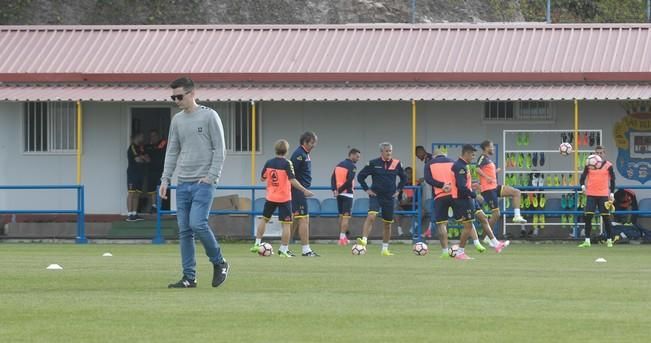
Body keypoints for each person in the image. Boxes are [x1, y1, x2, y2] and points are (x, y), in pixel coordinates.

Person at [159, 77, 229, 288]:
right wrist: (165, 179)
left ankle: (220, 262)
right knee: (184, 231)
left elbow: (220, 149)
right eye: (173, 97)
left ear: (192, 94)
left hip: (203, 182)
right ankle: (189, 277)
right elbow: (172, 151)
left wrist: (211, 177)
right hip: (182, 183)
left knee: (197, 223)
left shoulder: (209, 116)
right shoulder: (177, 120)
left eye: (179, 96)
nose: (176, 100)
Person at [250, 139, 314, 257]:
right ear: (286, 151)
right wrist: (304, 190)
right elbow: (292, 180)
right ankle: (283, 249)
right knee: (286, 224)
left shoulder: (268, 162)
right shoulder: (287, 163)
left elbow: (262, 178)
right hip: (284, 198)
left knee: (264, 219)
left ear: (275, 149)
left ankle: (256, 244)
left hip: (270, 197)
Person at [356, 142, 407, 256]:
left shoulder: (397, 163)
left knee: (387, 224)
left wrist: (398, 190)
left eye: (390, 151)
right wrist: (367, 189)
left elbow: (404, 178)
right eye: (386, 151)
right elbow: (360, 177)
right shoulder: (373, 163)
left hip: (389, 198)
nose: (389, 153)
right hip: (376, 196)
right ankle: (364, 239)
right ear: (381, 152)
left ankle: (385, 249)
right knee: (372, 215)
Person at [476, 140, 527, 231]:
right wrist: (487, 177)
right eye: (492, 146)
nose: (493, 148)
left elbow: (487, 172)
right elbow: (477, 169)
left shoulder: (488, 159)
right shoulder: (482, 157)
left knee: (516, 192)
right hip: (488, 190)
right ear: (486, 148)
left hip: (494, 187)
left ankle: (517, 215)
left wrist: (495, 171)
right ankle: (487, 236)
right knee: (496, 214)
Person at [450, 144, 484, 260]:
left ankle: (461, 251)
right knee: (468, 226)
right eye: (473, 155)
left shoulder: (463, 165)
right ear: (467, 153)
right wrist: (475, 195)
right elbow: (461, 186)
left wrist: (472, 186)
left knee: (468, 226)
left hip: (463, 199)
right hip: (463, 200)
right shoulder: (460, 166)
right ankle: (460, 252)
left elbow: (463, 184)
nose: (473, 157)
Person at [289, 131, 319, 257]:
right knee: (304, 219)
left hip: (299, 191)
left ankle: (284, 247)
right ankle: (306, 250)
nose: (314, 145)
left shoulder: (305, 154)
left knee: (295, 220)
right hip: (298, 191)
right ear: (305, 142)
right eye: (312, 143)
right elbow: (290, 175)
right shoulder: (299, 155)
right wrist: (303, 190)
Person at [578, 145, 616, 248]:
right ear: (594, 154)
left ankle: (609, 240)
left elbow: (612, 180)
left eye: (601, 153)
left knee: (606, 218)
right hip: (591, 195)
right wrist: (582, 186)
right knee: (588, 217)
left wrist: (612, 193)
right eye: (597, 153)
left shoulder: (608, 165)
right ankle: (587, 241)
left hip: (603, 195)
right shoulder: (589, 164)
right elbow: (582, 178)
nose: (599, 154)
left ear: (604, 154)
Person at [331, 148, 361, 246]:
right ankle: (342, 239)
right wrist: (339, 190)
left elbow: (333, 178)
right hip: (347, 194)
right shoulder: (352, 166)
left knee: (341, 216)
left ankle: (342, 237)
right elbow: (349, 182)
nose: (358, 159)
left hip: (339, 194)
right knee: (346, 217)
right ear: (351, 155)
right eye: (357, 156)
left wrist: (335, 190)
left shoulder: (338, 165)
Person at [126, 132, 148, 222]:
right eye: (142, 136)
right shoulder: (132, 147)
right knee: (131, 193)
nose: (143, 138)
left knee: (137, 194)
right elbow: (137, 159)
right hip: (132, 174)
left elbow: (148, 159)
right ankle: (129, 215)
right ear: (137, 137)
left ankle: (135, 214)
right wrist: (143, 158)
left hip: (140, 174)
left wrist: (142, 158)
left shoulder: (140, 148)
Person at [145, 129, 167, 213]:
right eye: (151, 136)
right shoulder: (147, 147)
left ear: (158, 136)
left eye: (154, 136)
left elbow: (160, 148)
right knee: (151, 190)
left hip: (161, 172)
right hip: (150, 171)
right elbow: (145, 155)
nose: (152, 138)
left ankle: (160, 207)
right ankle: (154, 206)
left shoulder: (163, 143)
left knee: (160, 189)